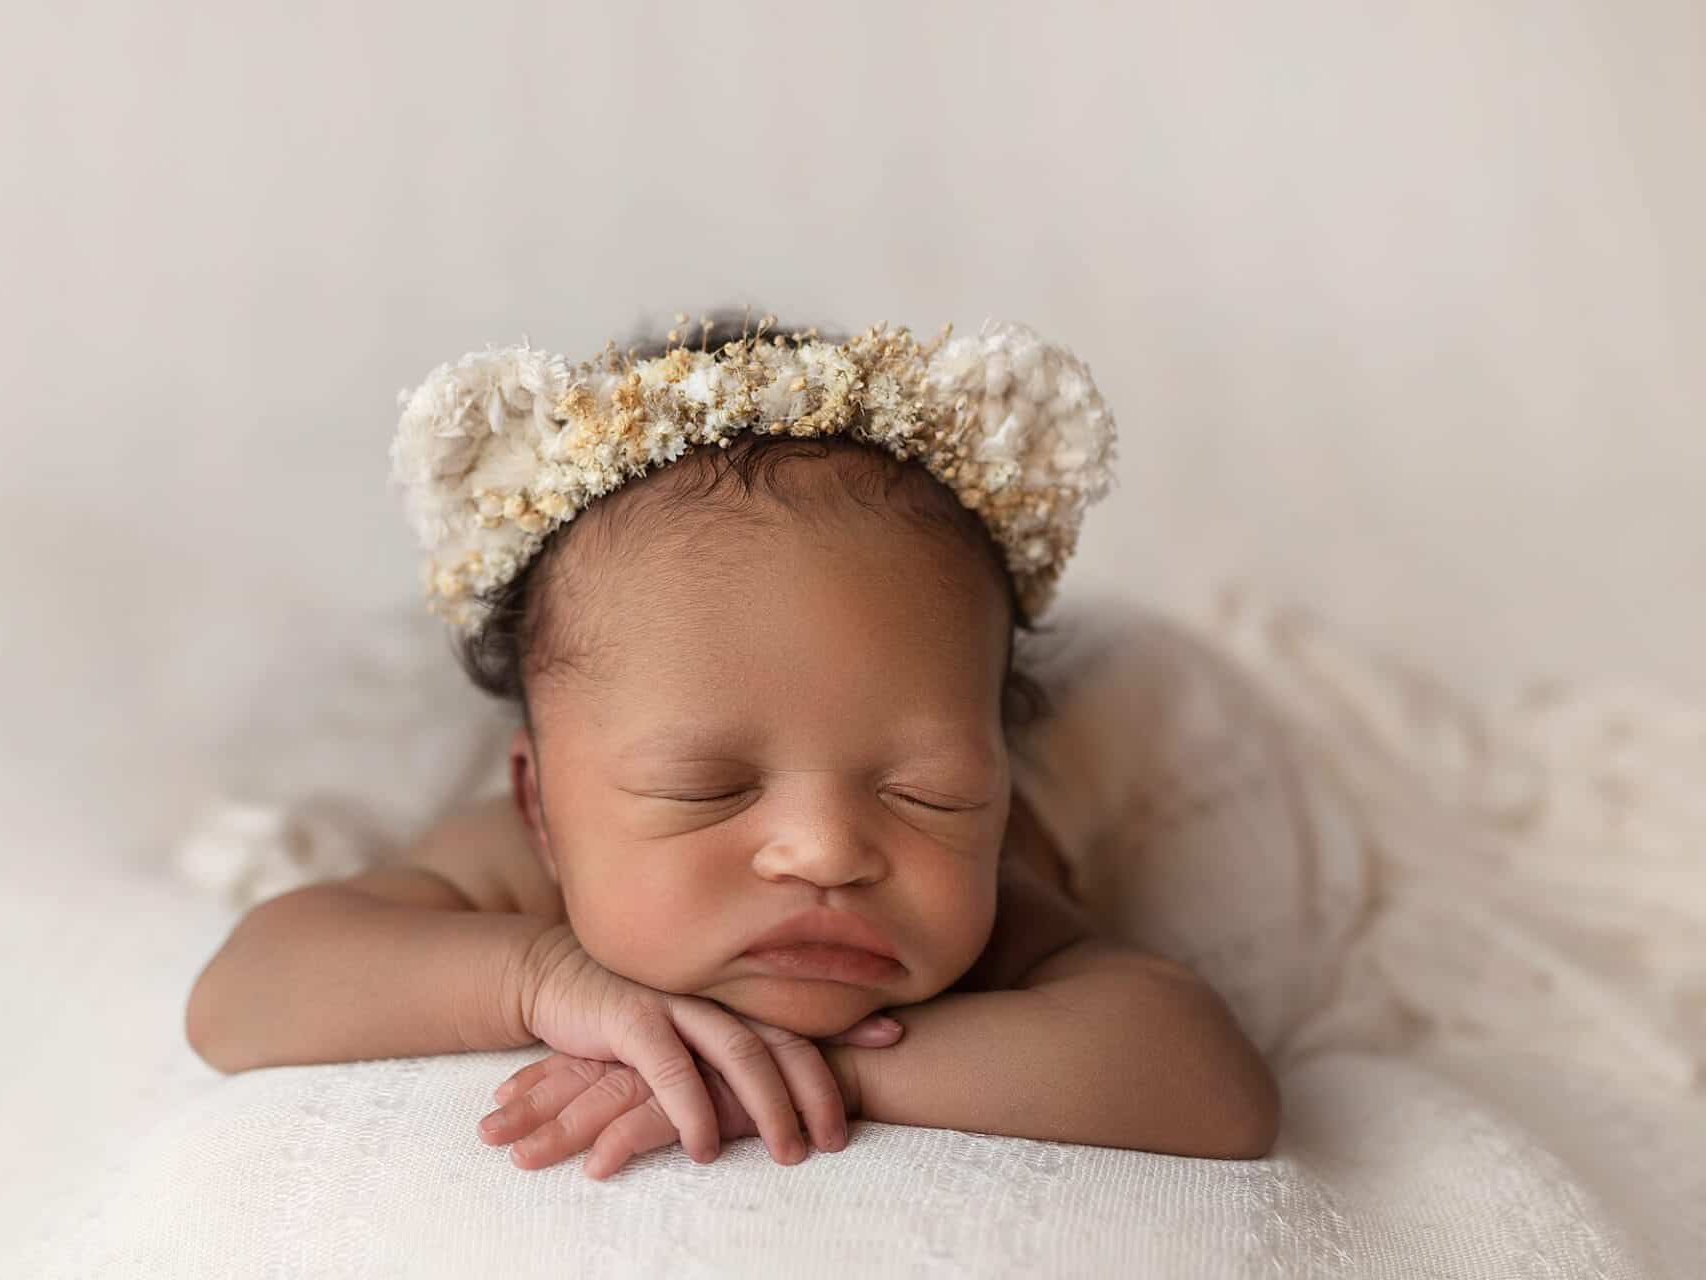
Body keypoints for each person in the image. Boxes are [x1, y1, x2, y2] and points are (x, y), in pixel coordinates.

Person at [184, 308, 1283, 1179]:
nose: (826, 847)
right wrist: (535, 976)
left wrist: (813, 1068)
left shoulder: (984, 906)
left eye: (928, 790)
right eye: (704, 786)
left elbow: (1211, 1086)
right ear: (541, 808)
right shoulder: (519, 870)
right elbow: (240, 995)